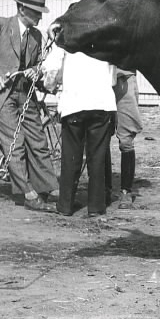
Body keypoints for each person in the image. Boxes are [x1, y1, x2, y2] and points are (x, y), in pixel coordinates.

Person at [0, 0, 59, 212]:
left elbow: (37, 63)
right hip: (2, 95)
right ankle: (27, 193)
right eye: (36, 11)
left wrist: (36, 71)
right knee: (15, 146)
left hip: (25, 95)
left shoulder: (37, 35)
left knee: (38, 141)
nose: (40, 15)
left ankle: (47, 188)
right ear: (22, 8)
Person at [43, 36, 117, 217]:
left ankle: (65, 206)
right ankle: (96, 207)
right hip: (101, 103)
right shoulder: (105, 41)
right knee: (97, 158)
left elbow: (51, 68)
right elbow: (113, 77)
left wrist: (49, 85)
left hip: (74, 104)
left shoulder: (66, 41)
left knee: (70, 157)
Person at [111, 68, 143, 209]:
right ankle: (104, 189)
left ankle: (126, 191)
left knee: (126, 140)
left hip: (124, 78)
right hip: (98, 80)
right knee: (100, 136)